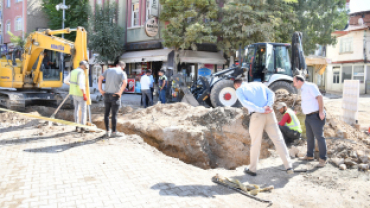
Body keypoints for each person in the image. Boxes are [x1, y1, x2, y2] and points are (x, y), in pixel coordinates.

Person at [234, 79, 293, 176]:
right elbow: (271, 94)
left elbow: (245, 103)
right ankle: (289, 166)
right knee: (279, 140)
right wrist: (268, 105)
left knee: (255, 143)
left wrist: (260, 109)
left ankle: (252, 169)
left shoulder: (239, 90)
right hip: (270, 114)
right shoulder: (259, 84)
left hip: (257, 115)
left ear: (236, 85)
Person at [293, 75, 327, 167]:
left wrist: (321, 112)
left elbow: (319, 97)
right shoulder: (303, 89)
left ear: (299, 81)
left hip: (316, 115)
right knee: (309, 137)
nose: (294, 84)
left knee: (319, 137)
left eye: (294, 82)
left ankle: (323, 159)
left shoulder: (310, 86)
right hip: (308, 116)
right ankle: (309, 155)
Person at [98, 61, 128, 138]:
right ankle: (114, 133)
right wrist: (120, 92)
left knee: (106, 114)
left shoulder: (108, 70)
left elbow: (100, 78)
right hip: (115, 96)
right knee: (114, 115)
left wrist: (101, 90)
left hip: (106, 95)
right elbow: (125, 82)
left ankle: (107, 132)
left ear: (116, 65)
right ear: (122, 67)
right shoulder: (122, 72)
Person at [64, 61, 89, 133]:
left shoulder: (73, 71)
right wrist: (84, 94)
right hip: (80, 93)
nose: (85, 69)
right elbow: (81, 85)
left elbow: (65, 81)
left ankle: (76, 126)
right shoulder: (81, 72)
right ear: (82, 66)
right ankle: (82, 127)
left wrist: (72, 86)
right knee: (83, 110)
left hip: (73, 93)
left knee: (76, 109)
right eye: (85, 68)